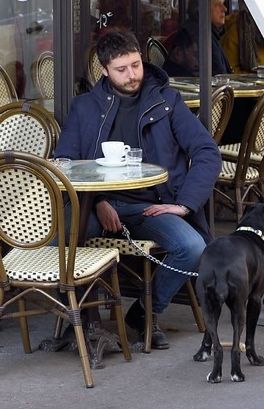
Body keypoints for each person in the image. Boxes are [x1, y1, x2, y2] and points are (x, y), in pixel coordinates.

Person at [55, 28, 221, 349]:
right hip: (98, 205)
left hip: (151, 205)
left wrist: (185, 204)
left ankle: (144, 313)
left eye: (136, 65)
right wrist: (99, 200)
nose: (132, 75)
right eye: (121, 69)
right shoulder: (84, 107)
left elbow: (207, 152)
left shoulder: (167, 101)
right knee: (56, 240)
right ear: (103, 70)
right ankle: (77, 318)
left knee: (192, 247)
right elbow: (65, 163)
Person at [163, 0, 230, 78]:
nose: (224, 9)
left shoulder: (204, 31)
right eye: (218, 5)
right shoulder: (199, 35)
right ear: (203, 8)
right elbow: (218, 76)